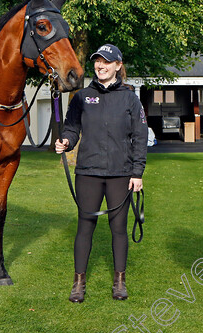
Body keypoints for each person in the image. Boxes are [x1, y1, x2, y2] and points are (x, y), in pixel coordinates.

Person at [56, 43, 148, 303]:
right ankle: (78, 282)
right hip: (88, 172)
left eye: (107, 61)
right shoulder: (82, 97)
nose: (101, 65)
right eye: (98, 61)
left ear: (118, 66)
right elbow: (72, 128)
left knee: (118, 228)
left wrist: (137, 172)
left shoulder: (130, 99)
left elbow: (140, 138)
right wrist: (66, 141)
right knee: (85, 227)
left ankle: (119, 281)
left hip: (121, 173)